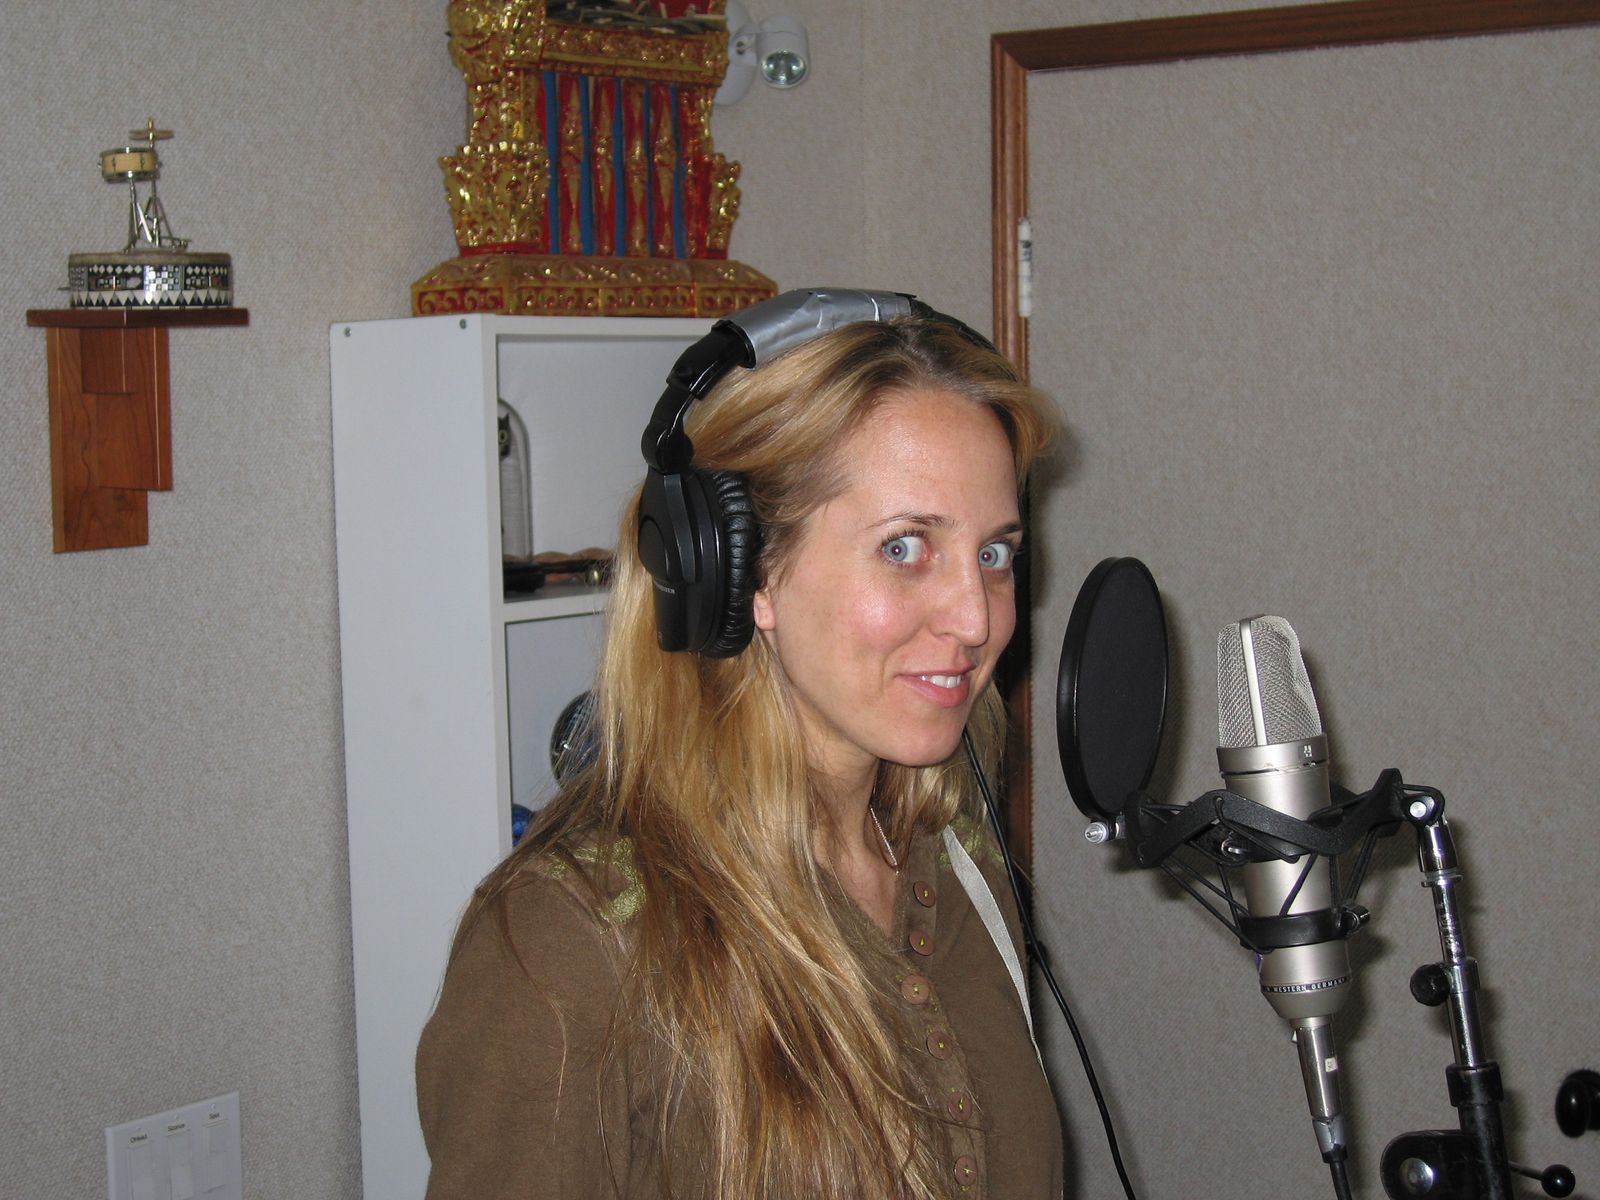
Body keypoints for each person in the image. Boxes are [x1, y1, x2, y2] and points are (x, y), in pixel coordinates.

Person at [416, 294, 1064, 1198]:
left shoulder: (958, 856)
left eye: (994, 555)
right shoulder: (566, 943)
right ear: (739, 568)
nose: (977, 619)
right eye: (906, 547)